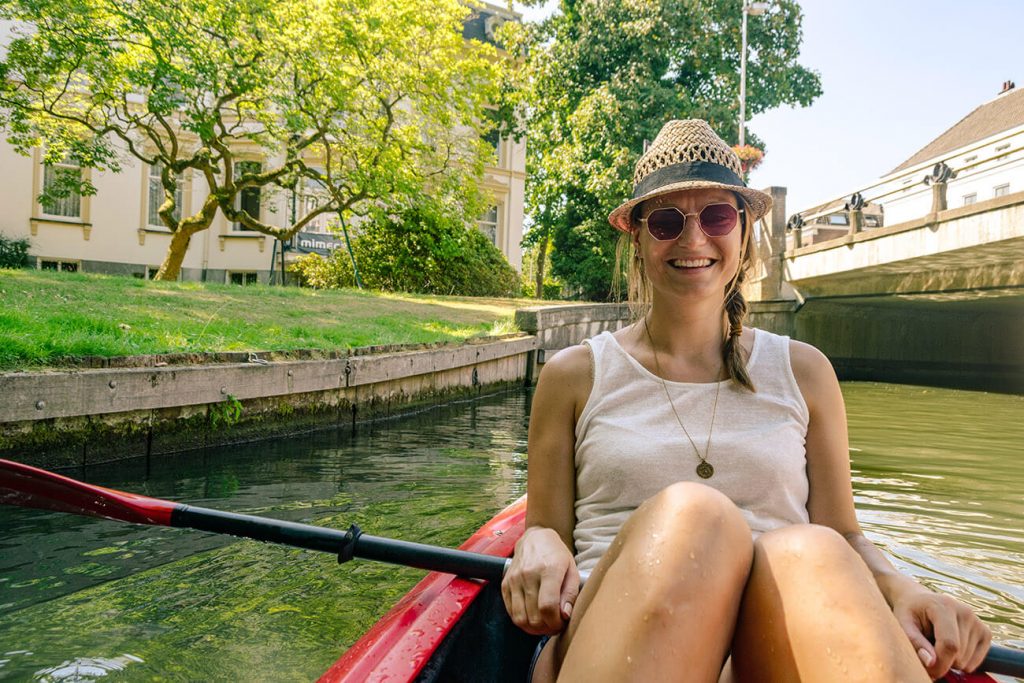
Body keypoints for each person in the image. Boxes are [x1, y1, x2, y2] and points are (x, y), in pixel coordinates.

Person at [500, 119, 991, 682]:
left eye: (716, 216)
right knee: (700, 516)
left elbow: (845, 531)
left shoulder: (805, 372)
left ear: (744, 232)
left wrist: (900, 584)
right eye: (665, 221)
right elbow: (546, 530)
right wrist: (535, 542)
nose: (693, 240)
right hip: (610, 636)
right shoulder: (574, 377)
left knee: (815, 549)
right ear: (636, 238)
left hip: (766, 656)